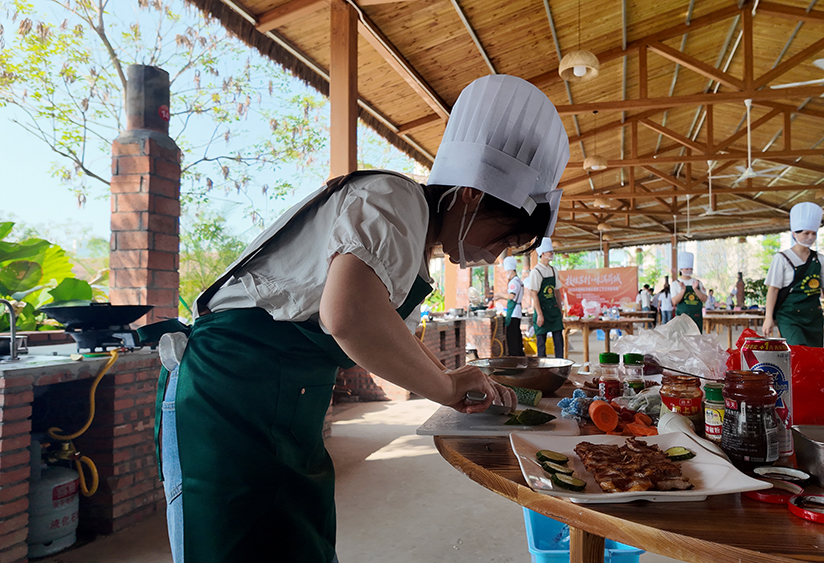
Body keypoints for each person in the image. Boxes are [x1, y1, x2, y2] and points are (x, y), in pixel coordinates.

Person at [153, 74, 568, 562]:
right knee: (230, 543)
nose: (499, 251)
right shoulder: (395, 200)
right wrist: (444, 388)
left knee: (296, 544)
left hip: (285, 400)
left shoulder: (413, 238)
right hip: (229, 394)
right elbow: (350, 315)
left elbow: (385, 327)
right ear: (472, 195)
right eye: (508, 234)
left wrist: (448, 376)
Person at [761, 202, 824, 347]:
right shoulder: (782, 259)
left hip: (813, 317)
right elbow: (773, 289)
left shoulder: (820, 260)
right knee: (797, 350)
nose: (810, 237)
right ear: (794, 234)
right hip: (789, 317)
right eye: (806, 233)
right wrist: (768, 318)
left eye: (813, 233)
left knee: (815, 356)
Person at [527, 237, 565, 358]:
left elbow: (557, 291)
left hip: (553, 310)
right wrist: (539, 314)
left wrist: (560, 308)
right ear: (543, 253)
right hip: (542, 310)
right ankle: (542, 369)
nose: (552, 254)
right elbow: (534, 293)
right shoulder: (536, 272)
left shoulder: (554, 270)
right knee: (541, 343)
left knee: (559, 340)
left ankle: (561, 366)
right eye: (550, 252)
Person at [670, 251, 708, 332]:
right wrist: (683, 290)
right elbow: (674, 301)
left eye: (690, 268)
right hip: (682, 318)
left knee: (696, 340)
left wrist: (695, 289)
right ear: (681, 269)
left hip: (696, 317)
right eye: (686, 268)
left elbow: (704, 299)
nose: (689, 270)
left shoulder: (698, 282)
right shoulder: (676, 284)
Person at [499, 256, 525, 356]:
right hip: (517, 312)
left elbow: (511, 296)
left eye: (506, 271)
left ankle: (515, 360)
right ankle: (520, 359)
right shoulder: (518, 280)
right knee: (517, 338)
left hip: (514, 313)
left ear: (510, 270)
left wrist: (499, 296)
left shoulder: (513, 282)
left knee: (512, 339)